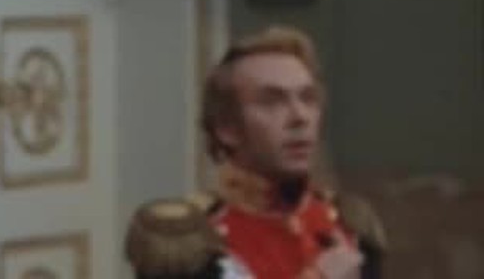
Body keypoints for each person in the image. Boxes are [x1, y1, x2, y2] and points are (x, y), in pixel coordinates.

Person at [123, 25, 387, 278]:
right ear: (227, 128)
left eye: (308, 98)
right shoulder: (186, 241)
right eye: (272, 101)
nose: (300, 117)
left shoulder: (348, 224)